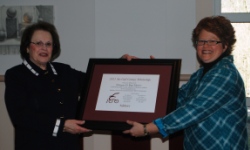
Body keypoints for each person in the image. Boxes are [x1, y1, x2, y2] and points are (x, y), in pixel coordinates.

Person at [122, 16, 249, 149]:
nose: (206, 46)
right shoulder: (200, 74)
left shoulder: (225, 74)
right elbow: (176, 100)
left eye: (213, 41)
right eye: (201, 41)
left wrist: (148, 129)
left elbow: (194, 110)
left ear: (225, 45)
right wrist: (149, 71)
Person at [4, 21, 92, 150]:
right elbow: (21, 116)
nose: (44, 48)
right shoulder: (16, 75)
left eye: (48, 44)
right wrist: (62, 125)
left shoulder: (64, 71)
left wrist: (119, 64)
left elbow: (95, 82)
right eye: (38, 43)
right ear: (27, 47)